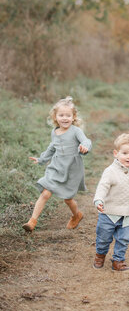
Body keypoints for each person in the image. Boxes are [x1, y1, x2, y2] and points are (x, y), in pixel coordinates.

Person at [23, 96, 91, 232]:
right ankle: (32, 222)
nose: (65, 118)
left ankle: (76, 215)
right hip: (56, 167)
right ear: (55, 117)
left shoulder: (75, 131)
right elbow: (51, 148)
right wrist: (41, 159)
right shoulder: (54, 132)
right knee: (45, 193)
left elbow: (86, 141)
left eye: (68, 115)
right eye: (61, 115)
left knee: (68, 199)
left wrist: (85, 147)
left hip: (72, 169)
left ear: (73, 117)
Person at [93, 133, 129, 271]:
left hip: (127, 212)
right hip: (109, 212)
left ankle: (118, 261)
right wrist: (99, 200)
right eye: (125, 153)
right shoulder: (110, 171)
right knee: (104, 238)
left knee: (124, 238)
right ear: (116, 153)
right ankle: (100, 255)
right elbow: (102, 186)